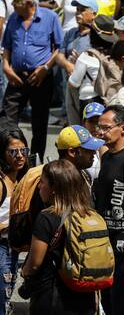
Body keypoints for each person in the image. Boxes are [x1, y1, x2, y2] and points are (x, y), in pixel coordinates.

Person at [21, 160, 99, 314]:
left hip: (53, 297)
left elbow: (35, 263)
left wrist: (25, 271)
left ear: (54, 188)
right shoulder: (89, 214)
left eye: (42, 182)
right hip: (85, 296)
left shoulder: (47, 217)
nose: (39, 186)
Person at [1, 0, 63, 162]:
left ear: (28, 3)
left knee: (39, 123)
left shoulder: (49, 17)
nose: (12, 4)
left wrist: (46, 68)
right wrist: (6, 66)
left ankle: (34, 162)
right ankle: (7, 159)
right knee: (7, 120)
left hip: (40, 78)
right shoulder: (14, 18)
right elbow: (7, 46)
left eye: (16, 1)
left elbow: (59, 48)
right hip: (16, 76)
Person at [93, 105, 124, 315]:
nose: (100, 132)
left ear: (123, 128)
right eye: (99, 128)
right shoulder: (106, 155)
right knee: (107, 297)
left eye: (106, 128)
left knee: (123, 299)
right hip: (104, 240)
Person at [0, 127, 28, 313]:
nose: (19, 156)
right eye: (13, 152)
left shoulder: (24, 179)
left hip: (13, 247)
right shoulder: (0, 182)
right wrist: (10, 226)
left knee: (6, 295)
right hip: (1, 247)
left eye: (23, 150)